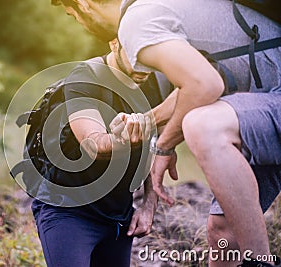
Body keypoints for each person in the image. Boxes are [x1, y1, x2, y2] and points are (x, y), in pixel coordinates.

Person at [50, 0, 281, 266]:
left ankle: (258, 261)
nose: (80, 24)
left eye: (73, 16)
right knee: (223, 233)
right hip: (258, 107)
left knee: (202, 124)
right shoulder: (92, 75)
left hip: (268, 102)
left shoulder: (137, 19)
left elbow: (204, 85)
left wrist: (163, 144)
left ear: (83, 4)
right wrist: (151, 132)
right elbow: (200, 85)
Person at [30, 38, 179, 267]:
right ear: (114, 43)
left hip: (118, 216)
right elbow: (94, 145)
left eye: (148, 56)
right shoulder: (86, 77)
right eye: (134, 54)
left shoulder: (157, 81)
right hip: (69, 211)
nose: (143, 66)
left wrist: (149, 205)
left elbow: (155, 144)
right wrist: (131, 134)